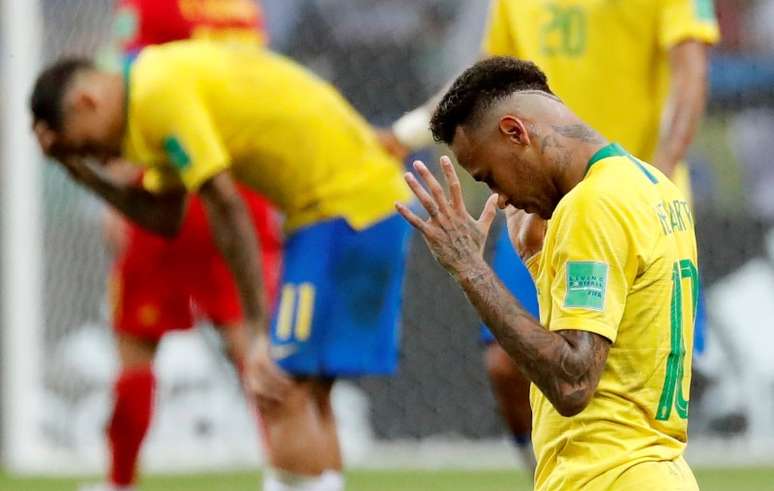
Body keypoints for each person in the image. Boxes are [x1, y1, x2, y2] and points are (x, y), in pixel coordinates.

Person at [30, 40, 411, 491]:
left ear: (86, 101)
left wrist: (254, 329)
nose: (101, 158)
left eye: (88, 146)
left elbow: (226, 204)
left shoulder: (157, 94)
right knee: (305, 392)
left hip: (342, 210)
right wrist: (81, 175)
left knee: (278, 385)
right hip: (359, 204)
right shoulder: (149, 95)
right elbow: (164, 217)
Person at [380, 0, 719, 469]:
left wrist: (470, 268)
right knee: (525, 364)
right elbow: (485, 82)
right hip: (599, 197)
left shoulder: (601, 201)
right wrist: (408, 130)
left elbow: (689, 76)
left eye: (488, 179)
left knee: (610, 371)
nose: (495, 197)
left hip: (608, 200)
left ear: (517, 133)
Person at [81, 2, 281, 490]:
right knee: (251, 341)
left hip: (167, 184)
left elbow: (126, 90)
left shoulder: (151, 3)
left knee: (136, 346)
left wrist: (118, 192)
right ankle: (289, 475)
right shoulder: (243, 8)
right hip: (240, 185)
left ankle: (119, 482)